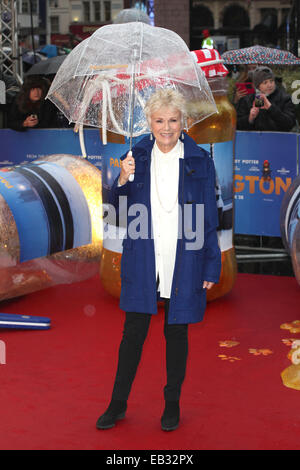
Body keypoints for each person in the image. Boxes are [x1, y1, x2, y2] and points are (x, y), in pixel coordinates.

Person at [96, 89, 221, 431]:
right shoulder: (135, 157)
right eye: (159, 120)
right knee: (132, 334)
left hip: (184, 257)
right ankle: (117, 404)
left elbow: (209, 217)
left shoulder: (200, 161)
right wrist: (121, 179)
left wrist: (211, 263)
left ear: (184, 122)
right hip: (144, 255)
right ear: (149, 122)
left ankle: (172, 404)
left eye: (173, 120)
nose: (166, 127)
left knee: (176, 333)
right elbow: (115, 212)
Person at [236, 66, 296, 132]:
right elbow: (237, 124)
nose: (269, 85)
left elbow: (290, 124)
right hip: (254, 139)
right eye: (265, 82)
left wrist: (271, 108)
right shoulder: (247, 100)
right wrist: (250, 118)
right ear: (257, 86)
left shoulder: (285, 98)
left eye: (271, 81)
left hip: (278, 139)